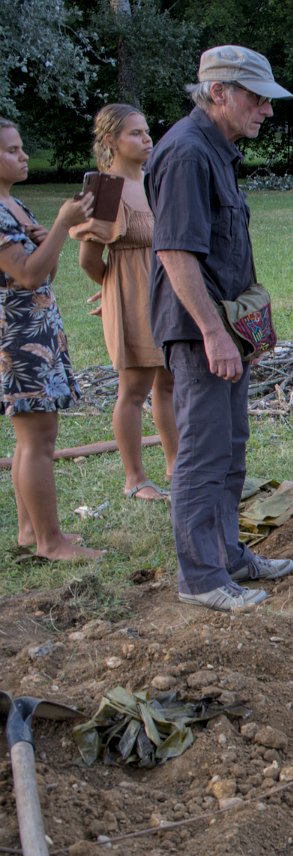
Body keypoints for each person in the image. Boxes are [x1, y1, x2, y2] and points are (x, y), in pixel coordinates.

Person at [148, 46, 293, 611]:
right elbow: (176, 254)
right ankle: (202, 578)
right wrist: (212, 333)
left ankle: (228, 555)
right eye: (257, 98)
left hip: (224, 324)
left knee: (230, 447)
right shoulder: (187, 153)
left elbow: (222, 251)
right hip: (198, 330)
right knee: (203, 453)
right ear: (219, 93)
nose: (267, 110)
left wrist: (242, 329)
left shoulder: (216, 149)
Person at [0, 119, 105, 561]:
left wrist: (49, 237)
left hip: (36, 328)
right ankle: (50, 542)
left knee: (31, 439)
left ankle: (30, 532)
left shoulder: (14, 204)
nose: (23, 156)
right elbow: (26, 275)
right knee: (38, 441)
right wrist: (62, 223)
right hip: (18, 334)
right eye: (11, 150)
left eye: (21, 147)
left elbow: (44, 272)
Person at [72, 103, 179, 503]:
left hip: (167, 293)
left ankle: (176, 465)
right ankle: (135, 478)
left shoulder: (155, 181)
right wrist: (114, 289)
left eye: (147, 131)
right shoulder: (104, 189)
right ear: (111, 141)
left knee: (168, 381)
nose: (147, 139)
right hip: (131, 296)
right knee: (133, 389)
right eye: (135, 133)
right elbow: (88, 259)